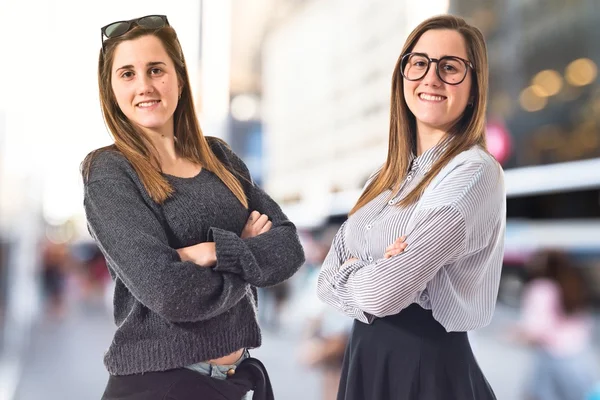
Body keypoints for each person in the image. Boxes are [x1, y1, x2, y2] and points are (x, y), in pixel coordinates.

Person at [81, 15, 304, 400]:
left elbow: (288, 248)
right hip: (158, 384)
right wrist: (247, 256)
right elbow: (167, 291)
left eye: (155, 70)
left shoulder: (219, 156)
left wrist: (213, 252)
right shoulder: (111, 172)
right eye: (127, 74)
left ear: (179, 79)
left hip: (232, 382)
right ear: (111, 90)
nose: (145, 86)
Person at [316, 14, 505, 400]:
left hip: (426, 369)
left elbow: (384, 295)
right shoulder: (382, 178)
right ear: (402, 76)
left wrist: (355, 269)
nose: (431, 78)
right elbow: (323, 280)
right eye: (419, 63)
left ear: (474, 86)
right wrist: (373, 270)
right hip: (366, 361)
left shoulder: (473, 172)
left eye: (450, 67)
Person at [512, 250, 598, 400]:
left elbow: (535, 329)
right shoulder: (574, 283)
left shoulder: (541, 288)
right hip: (578, 356)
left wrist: (513, 334)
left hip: (552, 357)